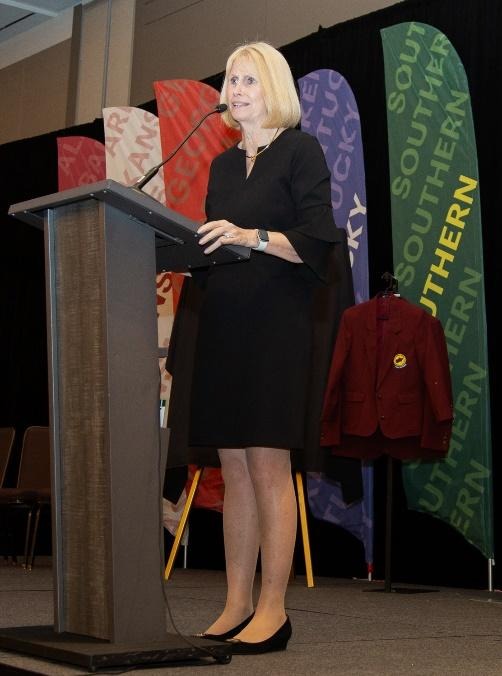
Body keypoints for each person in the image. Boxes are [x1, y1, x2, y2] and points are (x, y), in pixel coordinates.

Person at [168, 41, 342, 655]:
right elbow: (217, 241)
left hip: (277, 326)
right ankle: (236, 603)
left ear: (273, 88)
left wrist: (254, 235)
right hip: (225, 324)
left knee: (268, 465)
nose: (234, 91)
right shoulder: (220, 166)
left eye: (247, 80)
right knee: (233, 468)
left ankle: (274, 609)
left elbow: (317, 240)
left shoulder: (300, 151)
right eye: (230, 81)